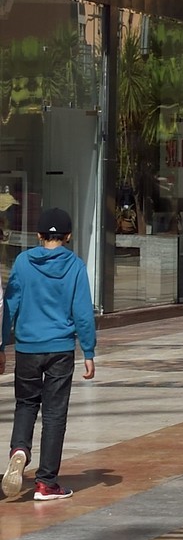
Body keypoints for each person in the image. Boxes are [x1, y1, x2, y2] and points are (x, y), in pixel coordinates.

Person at [1, 207, 96, 503]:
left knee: (26, 404)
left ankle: (19, 449)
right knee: (54, 414)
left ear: (39, 235)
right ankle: (46, 483)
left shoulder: (22, 262)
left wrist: (2, 344)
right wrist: (89, 351)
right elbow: (82, 313)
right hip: (60, 348)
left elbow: (10, 305)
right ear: (68, 236)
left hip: (28, 347)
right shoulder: (76, 266)